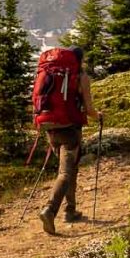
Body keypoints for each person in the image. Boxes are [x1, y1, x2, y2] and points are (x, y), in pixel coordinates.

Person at [39, 46, 100, 235]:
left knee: (70, 168)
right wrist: (98, 116)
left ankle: (70, 210)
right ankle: (50, 210)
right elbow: (89, 108)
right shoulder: (80, 76)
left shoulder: (50, 72)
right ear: (79, 60)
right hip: (70, 129)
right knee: (66, 172)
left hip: (50, 127)